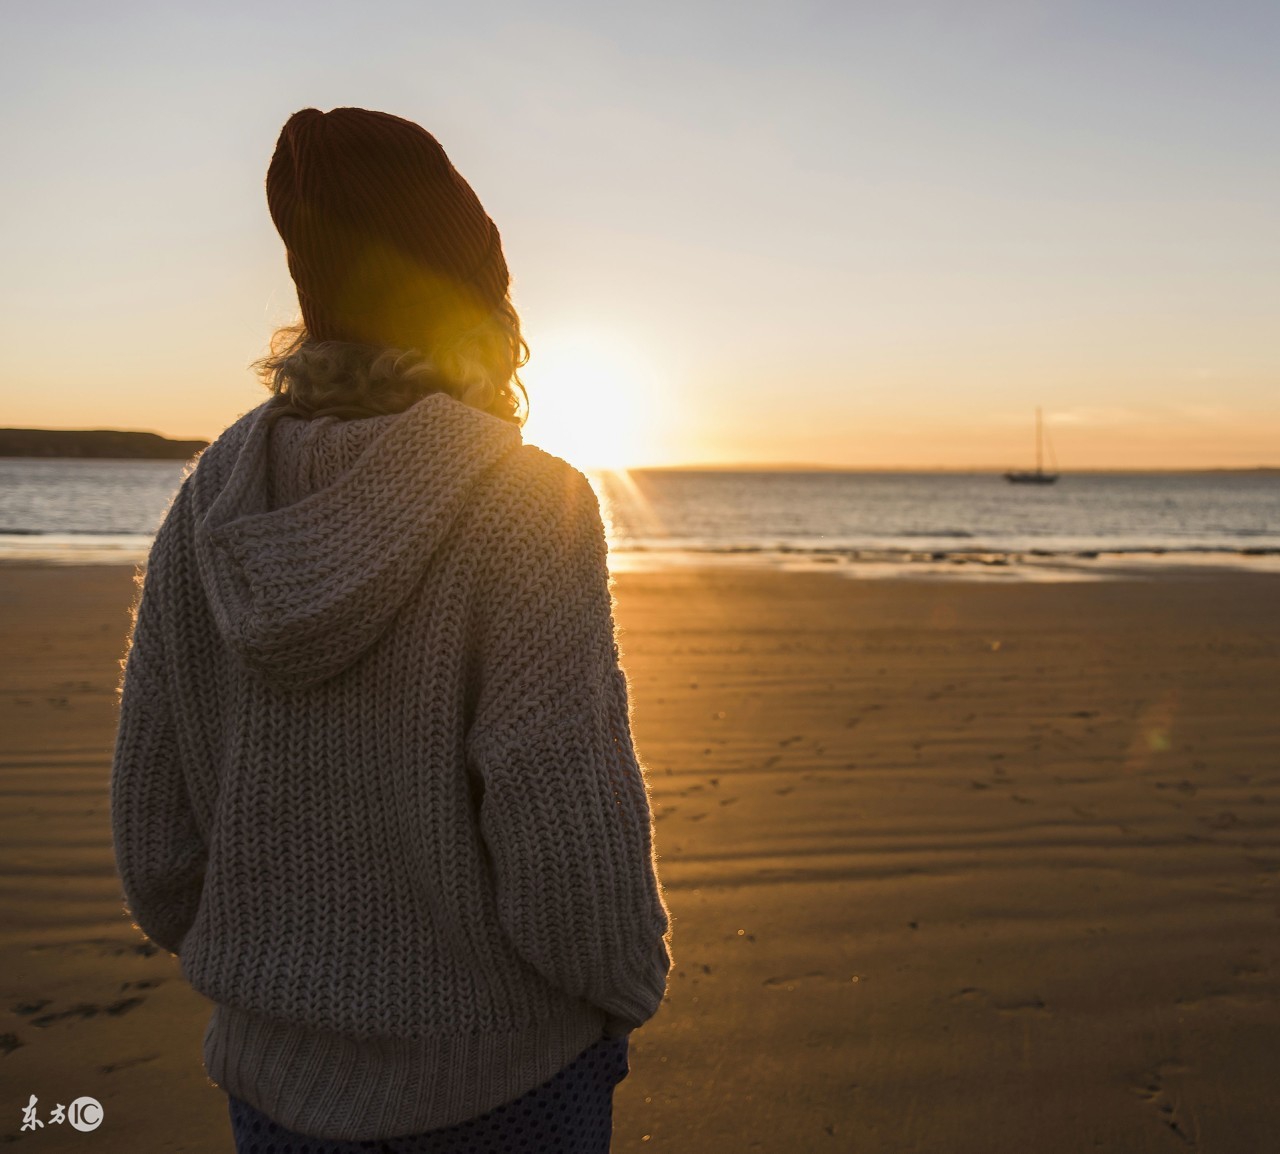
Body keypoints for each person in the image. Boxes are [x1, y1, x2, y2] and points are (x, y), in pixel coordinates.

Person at [109, 106, 673, 1154]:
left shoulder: (211, 503)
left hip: (275, 1083)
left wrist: (280, 980)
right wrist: (621, 989)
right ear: (477, 306)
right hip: (502, 1078)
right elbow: (564, 842)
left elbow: (157, 845)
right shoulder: (523, 500)